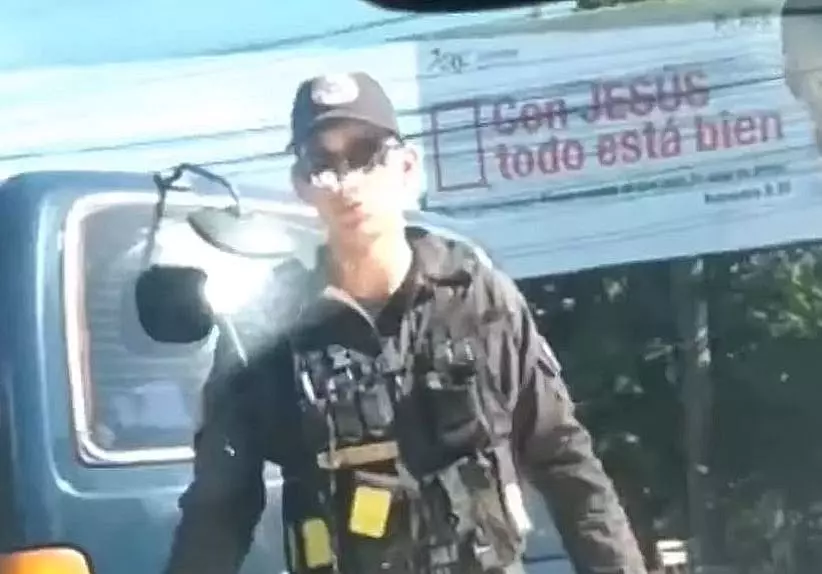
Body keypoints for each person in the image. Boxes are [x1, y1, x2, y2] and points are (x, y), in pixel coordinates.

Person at [163, 71, 647, 574]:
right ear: (302, 184)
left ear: (406, 165)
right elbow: (218, 510)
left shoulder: (478, 301)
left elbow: (565, 460)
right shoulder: (268, 335)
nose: (347, 181)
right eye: (322, 163)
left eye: (366, 153)